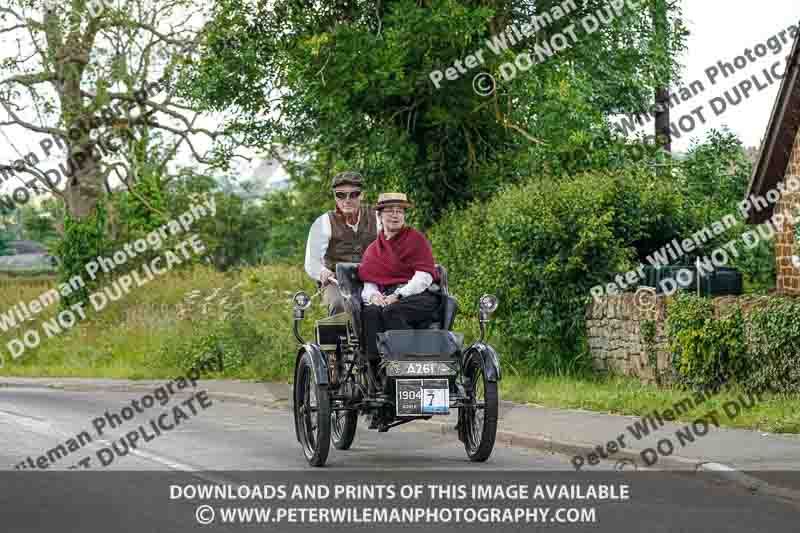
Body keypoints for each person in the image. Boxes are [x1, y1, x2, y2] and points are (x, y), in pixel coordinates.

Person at [358, 193, 442, 367]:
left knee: (392, 311)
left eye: (399, 211)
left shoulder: (416, 239)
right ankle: (375, 367)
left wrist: (398, 295)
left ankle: (406, 363)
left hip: (419, 296)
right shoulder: (373, 250)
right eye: (389, 211)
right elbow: (369, 284)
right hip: (386, 297)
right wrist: (374, 297)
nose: (395, 215)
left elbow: (424, 277)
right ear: (380, 216)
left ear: (404, 216)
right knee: (370, 312)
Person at [304, 171, 379, 315]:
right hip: (336, 281)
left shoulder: (377, 217)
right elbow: (311, 260)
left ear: (362, 195)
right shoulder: (323, 223)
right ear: (335, 197)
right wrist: (322, 272)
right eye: (341, 195)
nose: (347, 200)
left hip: (373, 278)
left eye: (354, 194)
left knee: (390, 304)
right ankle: (340, 338)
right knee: (339, 305)